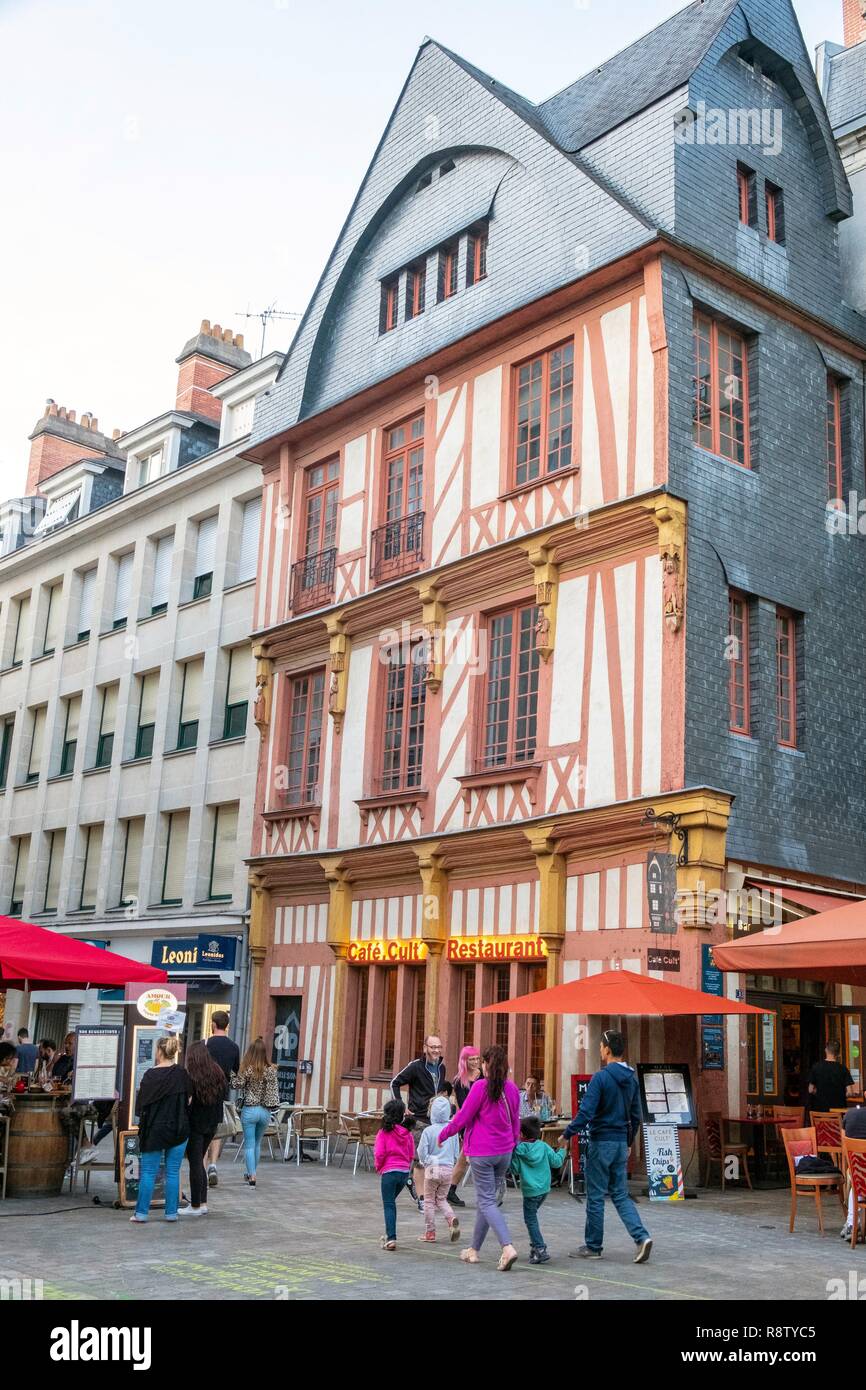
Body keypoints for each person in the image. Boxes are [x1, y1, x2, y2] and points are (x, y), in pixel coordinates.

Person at [560, 1029, 652, 1264]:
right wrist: (629, 1142)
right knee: (621, 1194)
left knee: (596, 1195)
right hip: (621, 1142)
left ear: (608, 1049)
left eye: (601, 1046)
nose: (599, 1049)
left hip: (602, 1142)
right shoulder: (631, 1078)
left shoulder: (600, 1078)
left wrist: (568, 1133)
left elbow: (586, 1112)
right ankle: (641, 1237)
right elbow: (635, 1115)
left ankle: (593, 1246)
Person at [437, 1044, 521, 1271]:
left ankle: (507, 1247)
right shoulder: (512, 1089)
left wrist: (444, 1134)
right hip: (504, 1152)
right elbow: (516, 1121)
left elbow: (463, 1116)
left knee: (485, 1201)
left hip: (483, 1153)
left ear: (486, 1065)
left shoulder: (480, 1087)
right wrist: (514, 1144)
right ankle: (473, 1250)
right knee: (488, 1201)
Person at [130, 1034, 192, 1224]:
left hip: (154, 1130)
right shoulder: (182, 1074)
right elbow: (189, 1100)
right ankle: (171, 1213)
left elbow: (140, 1107)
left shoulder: (150, 1075)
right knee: (173, 1172)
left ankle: (141, 1213)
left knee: (148, 1172)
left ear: (158, 1051)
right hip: (179, 1128)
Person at [390, 1035, 446, 1207]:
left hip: (435, 1122)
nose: (436, 1050)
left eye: (438, 1047)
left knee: (434, 1160)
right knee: (420, 1161)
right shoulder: (415, 1067)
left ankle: (426, 1192)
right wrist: (401, 1105)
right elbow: (394, 1083)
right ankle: (422, 1199)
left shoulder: (442, 1068)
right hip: (419, 1120)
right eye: (432, 1047)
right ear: (425, 1048)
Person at [181, 1042, 228, 1217]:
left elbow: (189, 1101)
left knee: (195, 1162)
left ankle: (195, 1205)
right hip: (213, 1123)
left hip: (196, 1124)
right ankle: (203, 1203)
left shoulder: (192, 1076)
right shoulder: (217, 1073)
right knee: (200, 1160)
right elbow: (224, 1095)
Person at [512, 1114, 566, 1264]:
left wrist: (510, 1158)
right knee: (532, 1217)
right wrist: (562, 1150)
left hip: (530, 1191)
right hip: (544, 1190)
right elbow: (556, 1162)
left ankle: (540, 1248)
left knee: (530, 1219)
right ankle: (535, 1246)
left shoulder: (518, 1149)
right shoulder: (543, 1146)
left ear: (521, 1134)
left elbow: (515, 1170)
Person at [231, 1036, 279, 1188]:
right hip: (265, 1111)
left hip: (250, 1110)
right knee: (257, 1144)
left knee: (249, 1145)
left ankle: (252, 1175)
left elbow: (236, 1085)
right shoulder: (271, 1070)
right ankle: (251, 1172)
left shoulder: (248, 1069)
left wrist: (231, 1073)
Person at [416, 1095, 461, 1244]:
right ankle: (451, 1218)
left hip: (433, 1166)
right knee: (441, 1199)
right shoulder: (452, 1131)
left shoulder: (428, 1131)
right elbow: (456, 1153)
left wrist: (426, 1161)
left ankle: (430, 1232)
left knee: (429, 1200)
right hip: (448, 1168)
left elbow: (421, 1151)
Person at [374, 1099, 416, 1251]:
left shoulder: (383, 1133)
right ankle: (388, 1235)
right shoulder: (408, 1134)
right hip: (404, 1174)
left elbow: (379, 1153)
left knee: (389, 1205)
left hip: (389, 1172)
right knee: (391, 1203)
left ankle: (391, 1238)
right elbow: (411, 1154)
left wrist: (379, 1167)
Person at [204, 1011, 240, 1189]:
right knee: (216, 1130)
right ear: (226, 1025)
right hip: (222, 1091)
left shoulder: (205, 1044)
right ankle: (213, 1165)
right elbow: (235, 1071)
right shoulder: (233, 1047)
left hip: (203, 1091)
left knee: (201, 1130)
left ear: (213, 1024)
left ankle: (201, 1167)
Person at [448, 1046, 481, 1207]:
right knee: (466, 1159)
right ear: (464, 1060)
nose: (475, 1062)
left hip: (483, 1122)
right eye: (471, 1059)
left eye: (477, 1058)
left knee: (464, 1159)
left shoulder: (483, 1076)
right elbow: (464, 1106)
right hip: (470, 1124)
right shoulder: (459, 1081)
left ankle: (450, 1190)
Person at [840, 1103, 866, 1240]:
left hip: (858, 1174)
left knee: (857, 1181)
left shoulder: (850, 1114)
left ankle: (851, 1224)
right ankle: (854, 1224)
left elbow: (844, 1146)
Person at [808, 1040, 855, 1113]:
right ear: (839, 1053)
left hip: (820, 1112)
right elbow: (850, 1092)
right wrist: (841, 1094)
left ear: (826, 1050)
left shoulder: (816, 1067)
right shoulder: (843, 1069)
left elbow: (810, 1090)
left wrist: (821, 1094)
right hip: (838, 1111)